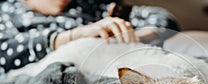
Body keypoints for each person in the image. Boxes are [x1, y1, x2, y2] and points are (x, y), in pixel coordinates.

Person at [0, 0, 179, 73]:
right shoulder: (9, 10)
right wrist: (77, 35)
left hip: (110, 66)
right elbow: (4, 51)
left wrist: (132, 35)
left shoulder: (88, 7)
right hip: (50, 75)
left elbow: (163, 18)